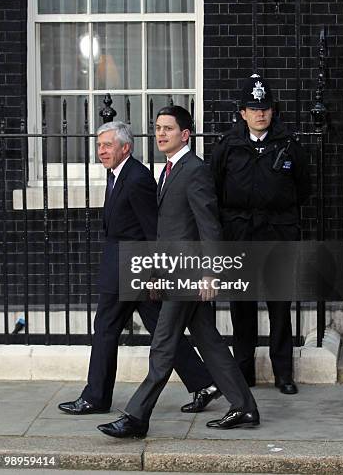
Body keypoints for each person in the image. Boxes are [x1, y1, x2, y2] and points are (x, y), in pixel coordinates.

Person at [97, 106, 259, 438]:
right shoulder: (168, 170)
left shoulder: (195, 170)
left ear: (185, 134)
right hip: (172, 271)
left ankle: (137, 416)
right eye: (157, 128)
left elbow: (209, 225)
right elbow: (167, 231)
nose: (160, 134)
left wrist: (211, 273)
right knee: (209, 342)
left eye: (168, 129)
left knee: (163, 344)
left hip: (189, 274)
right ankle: (244, 406)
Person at [58, 121, 220, 416]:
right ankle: (204, 382)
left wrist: (154, 274)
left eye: (108, 145)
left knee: (106, 328)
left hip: (133, 269)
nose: (101, 151)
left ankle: (95, 397)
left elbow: (152, 230)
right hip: (125, 268)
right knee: (162, 329)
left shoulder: (136, 179)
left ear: (126, 148)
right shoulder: (118, 174)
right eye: (99, 145)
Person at [211, 74, 311, 395]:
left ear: (272, 111)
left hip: (276, 236)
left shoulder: (289, 145)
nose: (260, 114)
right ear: (242, 113)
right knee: (242, 308)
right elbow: (214, 190)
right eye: (254, 108)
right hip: (239, 237)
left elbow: (304, 188)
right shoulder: (228, 147)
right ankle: (244, 372)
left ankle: (283, 374)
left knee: (280, 306)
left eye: (265, 108)